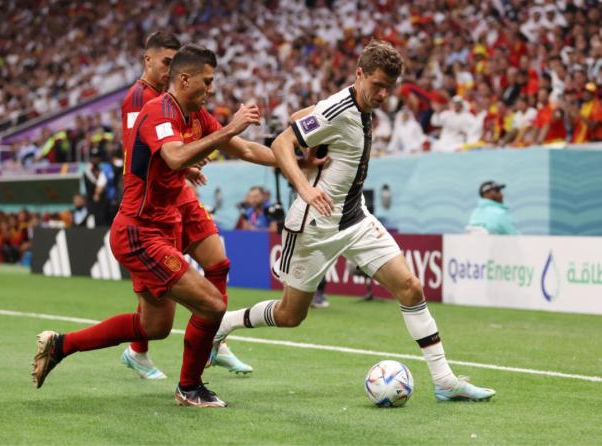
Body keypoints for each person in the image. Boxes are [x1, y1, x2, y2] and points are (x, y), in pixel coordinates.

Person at [211, 40, 495, 402]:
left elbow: (300, 118)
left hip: (354, 217)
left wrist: (307, 134)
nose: (382, 94)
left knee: (410, 286)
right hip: (315, 225)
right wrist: (304, 187)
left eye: (388, 88)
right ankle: (224, 325)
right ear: (359, 75)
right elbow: (283, 143)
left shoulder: (358, 104)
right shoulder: (338, 109)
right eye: (377, 85)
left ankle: (444, 380)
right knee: (289, 315)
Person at [32, 43, 297, 408]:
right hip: (139, 233)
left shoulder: (196, 115)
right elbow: (172, 156)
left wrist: (298, 163)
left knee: (154, 327)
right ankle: (190, 388)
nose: (212, 89)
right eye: (207, 81)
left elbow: (248, 150)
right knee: (211, 304)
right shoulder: (156, 109)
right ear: (184, 79)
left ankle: (61, 345)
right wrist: (229, 128)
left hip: (161, 229)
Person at [118, 32, 252, 380]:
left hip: (176, 188)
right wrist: (176, 161)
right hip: (151, 200)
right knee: (159, 297)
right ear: (148, 61)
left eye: (174, 62)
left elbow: (240, 148)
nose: (169, 69)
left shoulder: (183, 104)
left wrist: (292, 159)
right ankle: (141, 349)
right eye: (165, 61)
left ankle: (213, 341)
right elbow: (139, 151)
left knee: (217, 261)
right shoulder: (141, 98)